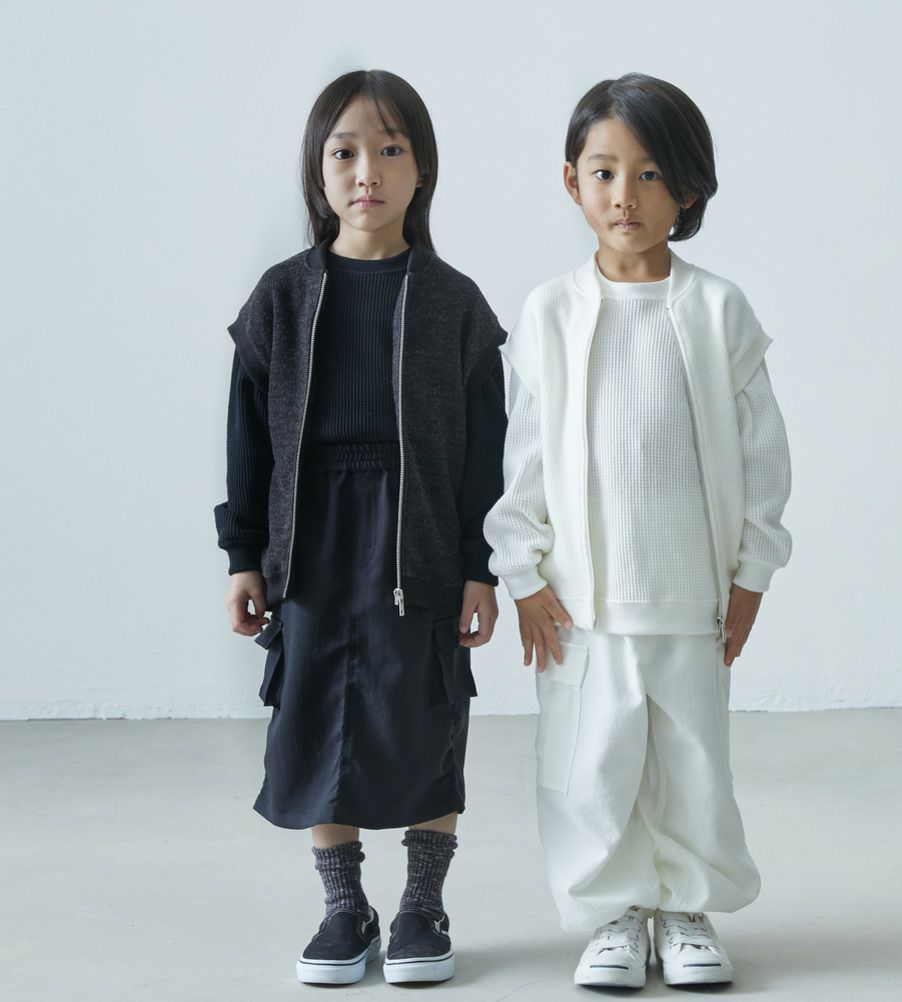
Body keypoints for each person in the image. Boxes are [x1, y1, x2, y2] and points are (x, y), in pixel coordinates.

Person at [483, 73, 792, 989]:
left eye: (652, 174)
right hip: (582, 602)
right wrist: (522, 571)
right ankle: (612, 914)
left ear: (688, 190)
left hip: (689, 595)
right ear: (571, 180)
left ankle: (687, 908)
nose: (626, 195)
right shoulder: (550, 313)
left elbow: (763, 454)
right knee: (590, 766)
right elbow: (524, 455)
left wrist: (751, 575)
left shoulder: (718, 311)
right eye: (605, 171)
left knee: (692, 762)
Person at [214, 69, 506, 986]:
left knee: (426, 711)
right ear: (318, 169)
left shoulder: (457, 304)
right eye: (344, 152)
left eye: (390, 150)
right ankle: (345, 908)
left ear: (423, 171)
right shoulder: (281, 297)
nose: (367, 172)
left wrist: (480, 565)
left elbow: (486, 452)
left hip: (418, 538)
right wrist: (242, 554)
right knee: (313, 713)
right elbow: (248, 437)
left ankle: (423, 904)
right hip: (311, 541)